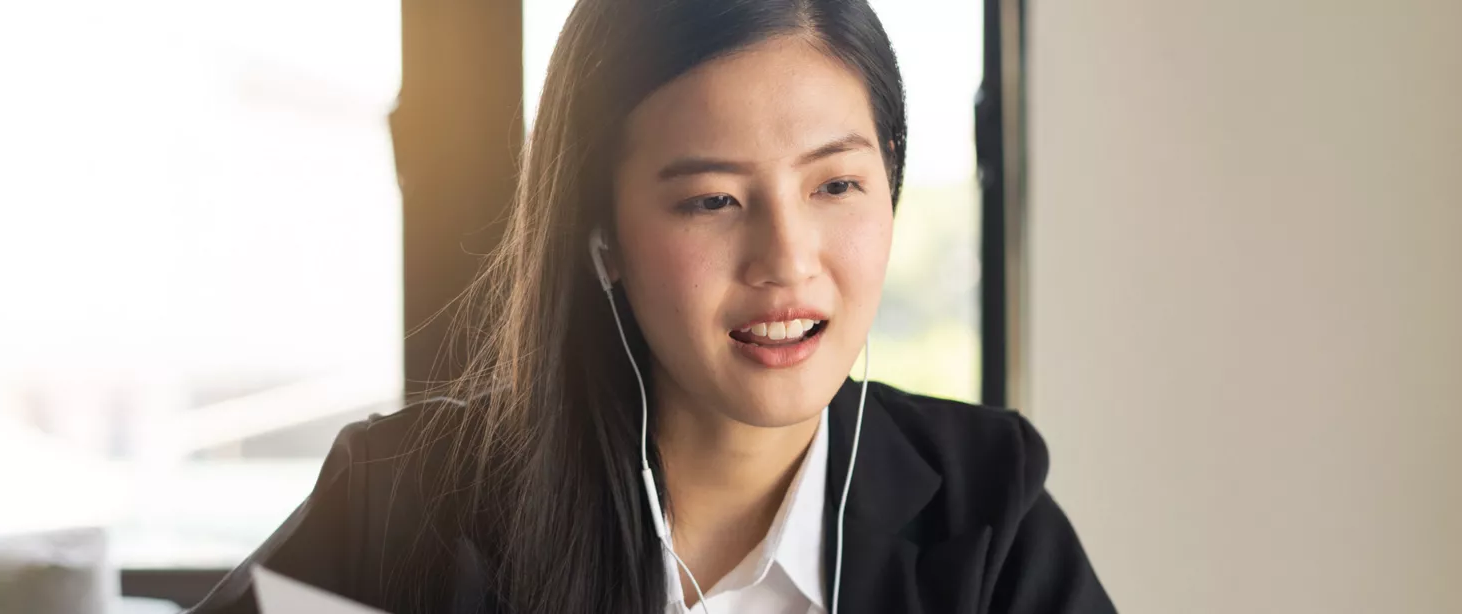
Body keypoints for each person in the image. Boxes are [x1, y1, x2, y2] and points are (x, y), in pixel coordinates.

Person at [188, 0, 1114, 612]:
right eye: (712, 200)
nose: (788, 260)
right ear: (600, 238)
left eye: (835, 186)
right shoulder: (399, 508)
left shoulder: (986, 515)